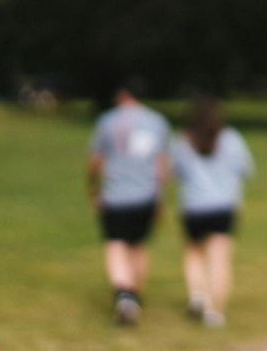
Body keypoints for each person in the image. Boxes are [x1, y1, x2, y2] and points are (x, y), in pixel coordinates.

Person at [87, 84, 170, 325]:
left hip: (115, 195)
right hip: (145, 195)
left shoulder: (107, 121)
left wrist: (93, 187)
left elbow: (95, 159)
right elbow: (162, 164)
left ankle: (124, 294)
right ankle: (135, 293)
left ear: (122, 95)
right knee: (138, 245)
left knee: (116, 244)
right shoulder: (157, 122)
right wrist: (160, 196)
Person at [170, 95, 254, 327]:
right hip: (224, 207)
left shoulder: (182, 141)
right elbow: (246, 169)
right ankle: (214, 312)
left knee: (194, 253)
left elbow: (174, 172)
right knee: (220, 259)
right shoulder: (232, 139)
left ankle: (197, 294)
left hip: (193, 208)